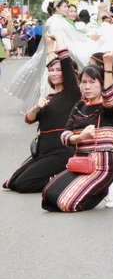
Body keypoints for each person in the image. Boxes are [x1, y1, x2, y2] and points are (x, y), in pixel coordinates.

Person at [42, 51, 113, 212]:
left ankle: (103, 188)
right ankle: (98, 188)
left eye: (92, 82)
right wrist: (80, 137)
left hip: (101, 166)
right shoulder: (79, 106)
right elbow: (64, 135)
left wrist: (107, 65)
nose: (87, 86)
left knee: (67, 204)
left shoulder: (108, 107)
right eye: (84, 82)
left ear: (101, 84)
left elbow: (109, 96)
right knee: (48, 196)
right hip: (80, 163)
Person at [4, 34, 79, 192]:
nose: (54, 73)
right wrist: (36, 107)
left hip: (60, 152)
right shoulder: (47, 98)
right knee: (13, 183)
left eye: (58, 70)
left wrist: (58, 39)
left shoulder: (71, 94)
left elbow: (65, 61)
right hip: (43, 151)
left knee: (23, 184)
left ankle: (62, 179)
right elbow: (28, 119)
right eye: (51, 70)